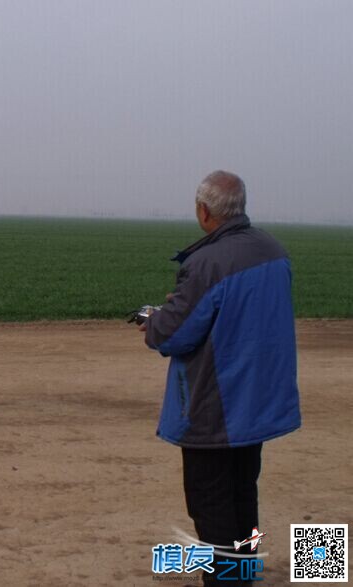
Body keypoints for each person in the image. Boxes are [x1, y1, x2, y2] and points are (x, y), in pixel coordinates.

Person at [141, 171, 301, 585]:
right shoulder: (274, 251)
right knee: (243, 494)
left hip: (216, 406)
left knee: (210, 505)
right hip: (257, 402)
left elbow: (175, 335)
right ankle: (243, 574)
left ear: (204, 211)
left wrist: (157, 321)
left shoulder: (207, 263)